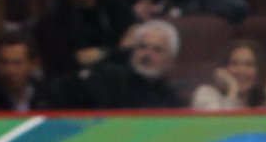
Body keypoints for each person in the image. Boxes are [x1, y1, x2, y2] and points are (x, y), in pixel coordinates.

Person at [47, 17, 186, 111]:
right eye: (142, 47)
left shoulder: (172, 102)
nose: (147, 55)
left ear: (170, 59)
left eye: (157, 50)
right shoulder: (107, 78)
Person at [189, 37, 266, 110]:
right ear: (223, 68)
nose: (241, 70)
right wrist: (233, 89)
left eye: (249, 64)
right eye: (234, 64)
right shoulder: (206, 94)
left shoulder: (261, 103)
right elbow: (221, 128)